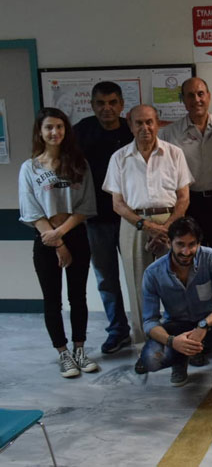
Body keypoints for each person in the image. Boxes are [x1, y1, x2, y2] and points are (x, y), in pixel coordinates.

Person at [103, 104, 193, 344]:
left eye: (149, 122)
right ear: (130, 126)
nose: (145, 128)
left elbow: (184, 198)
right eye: (139, 123)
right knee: (138, 285)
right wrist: (145, 225)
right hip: (134, 224)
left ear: (157, 123)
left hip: (171, 222)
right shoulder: (119, 158)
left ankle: (183, 340)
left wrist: (167, 228)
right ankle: (146, 343)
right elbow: (118, 204)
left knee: (178, 282)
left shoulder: (174, 153)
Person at [19, 108, 98, 377]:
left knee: (78, 296)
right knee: (52, 299)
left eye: (60, 127)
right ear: (40, 132)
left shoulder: (79, 164)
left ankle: (80, 349)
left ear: (66, 130)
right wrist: (57, 243)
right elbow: (31, 211)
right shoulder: (29, 168)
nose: (55, 132)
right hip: (45, 238)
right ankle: (63, 353)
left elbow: (86, 206)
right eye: (49, 127)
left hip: (75, 234)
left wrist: (62, 234)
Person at [140, 217, 212, 405]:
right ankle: (180, 359)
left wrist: (204, 325)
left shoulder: (210, 257)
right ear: (169, 243)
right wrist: (172, 341)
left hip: (208, 326)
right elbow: (149, 321)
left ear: (199, 243)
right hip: (176, 328)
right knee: (150, 360)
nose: (186, 252)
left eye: (191, 245)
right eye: (180, 244)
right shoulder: (153, 273)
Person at [73, 81, 134, 353]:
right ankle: (118, 331)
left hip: (131, 218)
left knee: (141, 276)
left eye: (112, 103)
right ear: (92, 105)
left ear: (121, 105)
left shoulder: (131, 129)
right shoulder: (81, 132)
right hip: (96, 219)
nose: (106, 108)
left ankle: (150, 327)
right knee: (106, 279)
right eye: (100, 103)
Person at [160, 78, 212, 277]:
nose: (196, 99)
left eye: (200, 94)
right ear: (183, 100)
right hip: (189, 204)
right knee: (190, 263)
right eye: (190, 95)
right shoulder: (169, 134)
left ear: (209, 96)